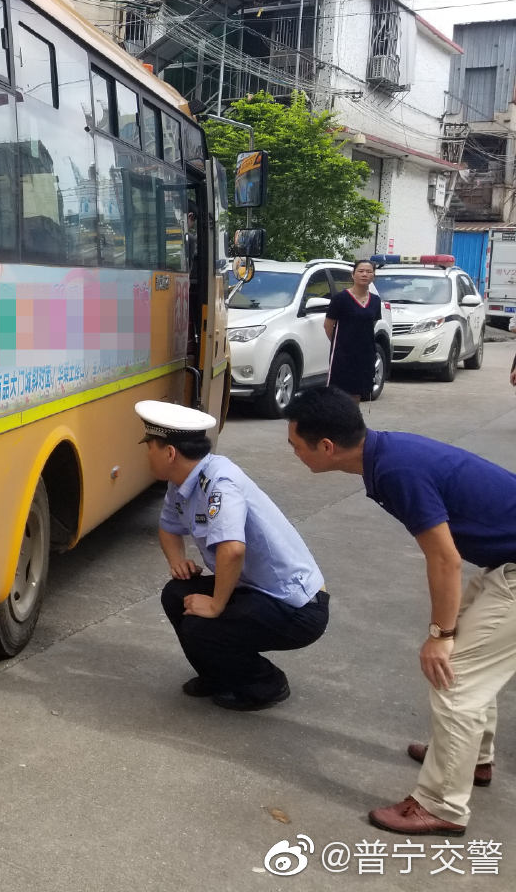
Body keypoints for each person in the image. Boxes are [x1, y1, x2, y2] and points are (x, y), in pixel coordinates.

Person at [284, 386, 516, 836]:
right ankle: (472, 760)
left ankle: (442, 805)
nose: (293, 453)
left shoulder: (396, 470)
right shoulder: (387, 454)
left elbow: (444, 558)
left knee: (455, 675)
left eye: (295, 445)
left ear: (326, 447)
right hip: (504, 563)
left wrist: (439, 634)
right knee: (468, 665)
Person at [139, 399, 330, 712]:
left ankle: (265, 683)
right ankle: (218, 675)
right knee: (177, 594)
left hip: (295, 606)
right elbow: (168, 527)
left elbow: (232, 549)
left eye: (151, 447)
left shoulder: (219, 483)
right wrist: (177, 561)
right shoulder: (183, 480)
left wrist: (215, 605)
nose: (147, 454)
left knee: (202, 624)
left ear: (169, 453)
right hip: (254, 587)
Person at [324, 259, 382, 401]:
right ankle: (338, 422)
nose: (364, 274)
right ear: (353, 275)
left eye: (369, 272)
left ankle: (353, 421)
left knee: (358, 393)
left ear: (373, 276)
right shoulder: (340, 299)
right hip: (343, 355)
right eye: (361, 271)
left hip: (365, 355)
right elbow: (328, 325)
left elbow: (371, 324)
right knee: (339, 393)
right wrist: (340, 344)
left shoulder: (375, 300)